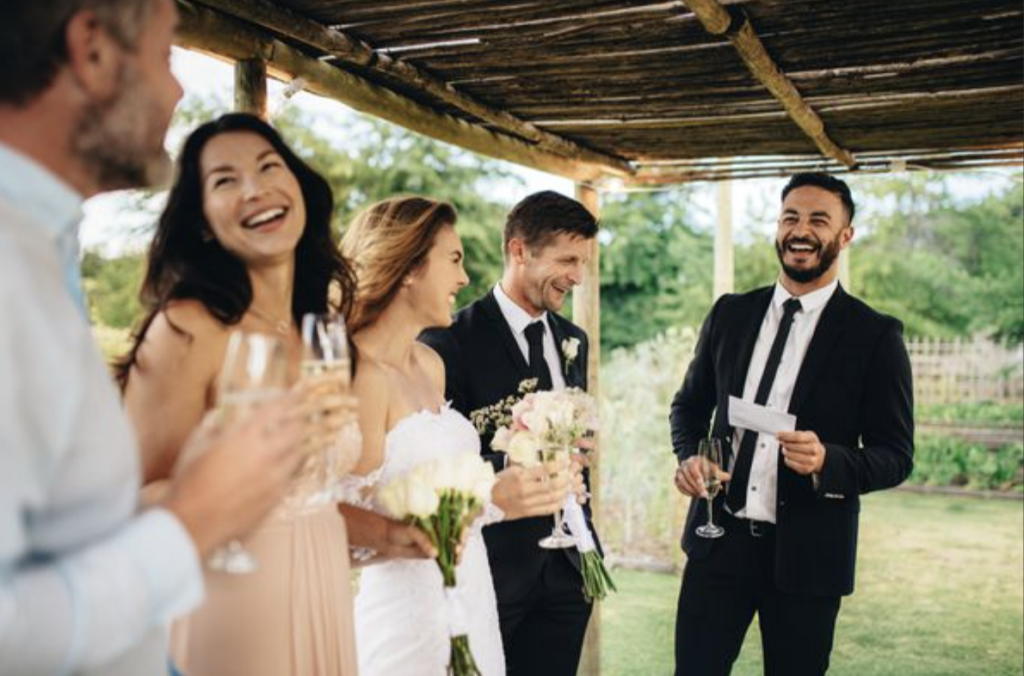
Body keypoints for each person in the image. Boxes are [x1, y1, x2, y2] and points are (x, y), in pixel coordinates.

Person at [0, 2, 311, 674]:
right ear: (93, 50)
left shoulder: (43, 248)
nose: (177, 91)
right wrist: (194, 517)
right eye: (166, 55)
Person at [118, 112, 361, 676]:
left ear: (298, 187)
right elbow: (131, 505)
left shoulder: (320, 328)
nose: (255, 189)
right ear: (202, 221)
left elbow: (320, 490)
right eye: (225, 180)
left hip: (324, 581)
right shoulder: (187, 327)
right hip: (230, 598)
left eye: (269, 167)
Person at [670, 173, 915, 676]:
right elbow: (688, 408)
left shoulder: (875, 335)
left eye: (819, 220)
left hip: (809, 559)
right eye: (790, 217)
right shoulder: (730, 314)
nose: (801, 230)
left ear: (845, 236)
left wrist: (830, 460)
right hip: (718, 545)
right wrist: (690, 457)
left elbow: (896, 455)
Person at [337, 196, 573, 676]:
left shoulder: (431, 365)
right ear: (408, 269)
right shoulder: (362, 375)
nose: (464, 278)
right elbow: (335, 521)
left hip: (471, 598)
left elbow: (437, 484)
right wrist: (489, 498)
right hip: (406, 619)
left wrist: (514, 477)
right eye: (454, 259)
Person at [421, 191, 602, 676]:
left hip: (568, 568)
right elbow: (434, 462)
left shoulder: (572, 341)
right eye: (567, 260)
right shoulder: (447, 342)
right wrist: (512, 466)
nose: (577, 277)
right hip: (494, 568)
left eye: (582, 262)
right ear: (520, 251)